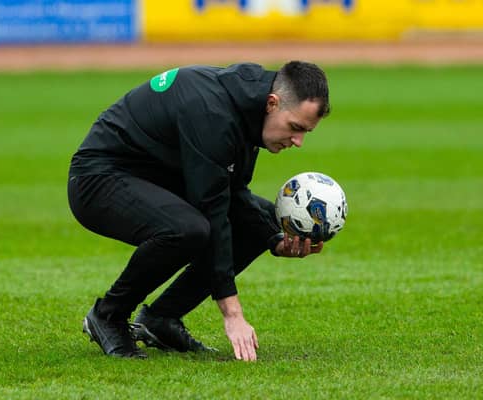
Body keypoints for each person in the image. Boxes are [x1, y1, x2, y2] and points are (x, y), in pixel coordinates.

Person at [68, 61, 330, 361]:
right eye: (295, 128)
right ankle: (108, 316)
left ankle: (160, 320)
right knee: (189, 229)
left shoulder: (247, 106)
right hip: (97, 179)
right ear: (273, 103)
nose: (298, 142)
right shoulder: (213, 115)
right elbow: (214, 210)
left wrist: (274, 238)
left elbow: (230, 192)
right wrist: (232, 313)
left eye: (305, 132)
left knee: (263, 223)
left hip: (155, 178)